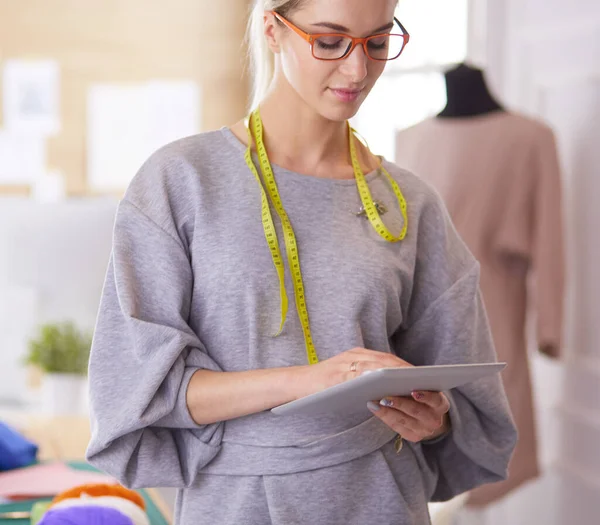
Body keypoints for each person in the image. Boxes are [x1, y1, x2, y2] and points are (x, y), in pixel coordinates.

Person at [85, 1, 517, 524]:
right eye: (330, 41)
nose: (357, 70)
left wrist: (436, 418)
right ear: (273, 28)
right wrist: (311, 379)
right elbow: (136, 387)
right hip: (234, 503)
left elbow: (465, 397)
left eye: (377, 43)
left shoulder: (410, 202)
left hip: (380, 498)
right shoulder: (181, 181)